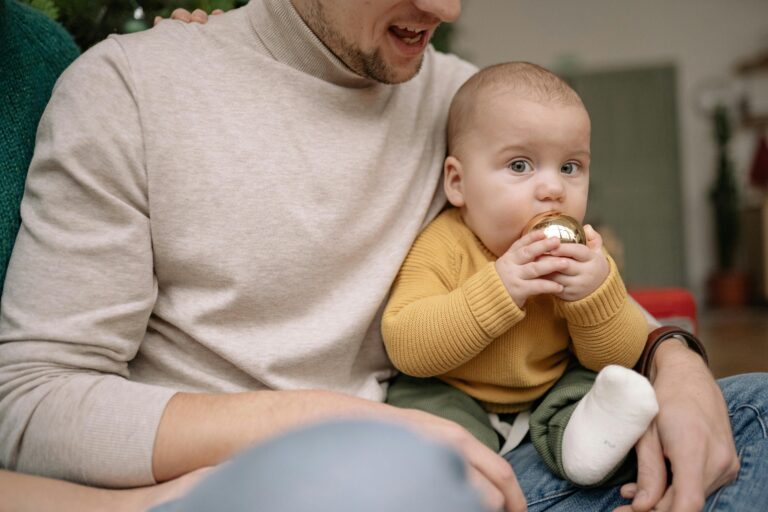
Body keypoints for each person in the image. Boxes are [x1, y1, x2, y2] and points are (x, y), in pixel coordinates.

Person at [0, 1, 763, 511]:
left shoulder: (467, 105)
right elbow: (30, 404)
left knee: (755, 411)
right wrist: (338, 428)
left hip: (509, 460)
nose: (448, 7)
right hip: (298, 483)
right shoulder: (132, 91)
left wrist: (676, 360)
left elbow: (588, 291)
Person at [383, 61, 658, 488]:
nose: (553, 189)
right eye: (519, 166)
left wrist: (594, 295)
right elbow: (406, 344)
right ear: (458, 183)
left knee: (588, 382)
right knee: (419, 405)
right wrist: (501, 289)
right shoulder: (443, 244)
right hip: (453, 391)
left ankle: (585, 443)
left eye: (570, 167)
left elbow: (618, 354)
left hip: (548, 391)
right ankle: (459, 473)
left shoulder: (585, 256)